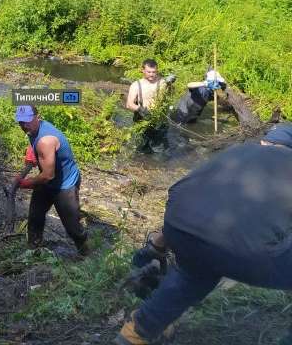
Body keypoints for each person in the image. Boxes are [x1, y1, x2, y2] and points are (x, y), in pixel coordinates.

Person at [116, 123, 292, 345]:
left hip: (179, 225)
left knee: (195, 271)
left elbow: (186, 190)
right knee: (215, 258)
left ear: (267, 141)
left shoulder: (238, 151)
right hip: (240, 251)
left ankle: (137, 332)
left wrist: (159, 243)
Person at [10, 105, 88, 255]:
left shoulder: (46, 141)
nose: (24, 125)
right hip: (48, 181)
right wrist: (32, 152)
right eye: (21, 122)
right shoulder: (33, 129)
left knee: (71, 226)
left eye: (27, 121)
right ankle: (34, 248)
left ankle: (85, 251)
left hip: (65, 185)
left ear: (37, 117)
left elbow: (47, 175)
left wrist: (26, 183)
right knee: (35, 215)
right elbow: (35, 141)